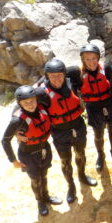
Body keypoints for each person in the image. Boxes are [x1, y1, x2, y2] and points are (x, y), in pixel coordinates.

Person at [39, 58, 97, 203]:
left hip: (78, 125)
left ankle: (82, 176)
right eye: (52, 76)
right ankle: (71, 186)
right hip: (59, 131)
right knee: (66, 161)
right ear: (47, 76)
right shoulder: (42, 92)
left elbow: (86, 66)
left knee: (81, 154)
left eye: (59, 75)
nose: (57, 79)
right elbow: (21, 104)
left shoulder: (73, 79)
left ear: (64, 74)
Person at [2, 85, 62, 216]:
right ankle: (40, 202)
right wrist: (13, 160)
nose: (30, 104)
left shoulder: (42, 107)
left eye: (32, 101)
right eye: (26, 103)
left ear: (36, 99)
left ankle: (46, 196)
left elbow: (43, 82)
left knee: (44, 175)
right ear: (20, 104)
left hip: (44, 148)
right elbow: (5, 140)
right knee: (35, 179)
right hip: (28, 154)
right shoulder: (17, 121)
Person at [75, 43, 112, 171]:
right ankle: (100, 155)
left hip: (109, 104)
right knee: (98, 134)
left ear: (98, 58)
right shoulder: (79, 74)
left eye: (94, 58)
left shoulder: (107, 69)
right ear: (83, 60)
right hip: (93, 107)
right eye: (87, 59)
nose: (91, 62)